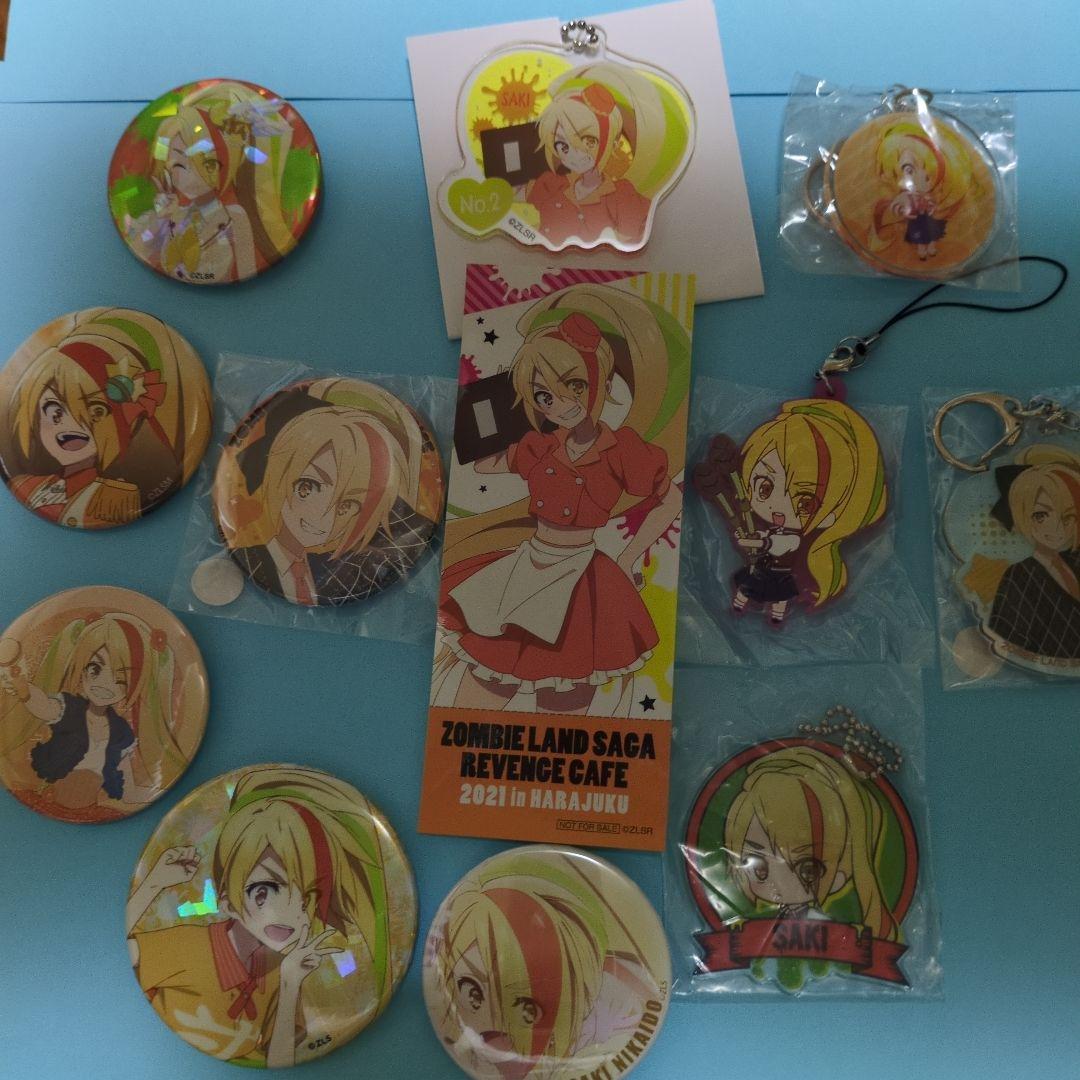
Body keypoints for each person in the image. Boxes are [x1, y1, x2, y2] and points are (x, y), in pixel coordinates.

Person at [436, 285, 686, 715]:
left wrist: (629, 556)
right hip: (526, 567)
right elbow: (483, 465)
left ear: (599, 381)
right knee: (487, 679)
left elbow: (670, 499)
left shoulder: (622, 449)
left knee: (566, 693)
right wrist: (494, 397)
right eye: (544, 396)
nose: (561, 404)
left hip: (582, 578)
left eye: (574, 385)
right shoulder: (541, 447)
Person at [126, 766, 392, 1068]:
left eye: (308, 897)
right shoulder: (186, 946)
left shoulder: (281, 971)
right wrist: (153, 884)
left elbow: (279, 1059)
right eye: (264, 890)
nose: (288, 914)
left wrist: (290, 984)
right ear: (227, 903)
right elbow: (125, 953)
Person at [428, 852, 660, 1078]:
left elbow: (638, 986)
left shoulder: (596, 1021)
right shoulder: (464, 1037)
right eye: (472, 993)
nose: (491, 1025)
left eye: (526, 1010)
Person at [219, 380, 435, 606]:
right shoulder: (254, 560)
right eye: (308, 487)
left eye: (347, 505)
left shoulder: (335, 573)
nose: (323, 516)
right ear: (279, 473)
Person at [6, 310, 191, 527]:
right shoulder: (27, 484)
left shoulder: (118, 499)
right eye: (55, 413)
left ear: (123, 422)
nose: (71, 424)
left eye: (96, 411)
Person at [0, 612, 178, 814]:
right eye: (95, 669)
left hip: (90, 808)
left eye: (121, 679)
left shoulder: (121, 733)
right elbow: (45, 707)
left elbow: (127, 785)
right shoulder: (69, 708)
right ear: (82, 668)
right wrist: (25, 690)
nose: (104, 683)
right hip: (49, 801)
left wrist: (160, 791)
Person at [730, 398, 887, 623]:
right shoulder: (772, 528)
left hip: (779, 574)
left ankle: (776, 617)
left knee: (780, 596)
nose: (777, 508)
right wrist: (750, 538)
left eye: (805, 503)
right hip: (762, 568)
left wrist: (753, 541)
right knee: (747, 585)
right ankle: (739, 605)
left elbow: (772, 543)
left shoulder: (792, 540)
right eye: (765, 488)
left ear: (832, 515)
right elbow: (765, 537)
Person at [723, 745, 900, 940]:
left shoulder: (823, 925)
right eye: (760, 867)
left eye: (807, 869)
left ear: (841, 873)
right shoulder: (764, 922)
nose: (779, 882)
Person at [126, 81, 296, 282]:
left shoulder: (235, 217)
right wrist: (161, 218)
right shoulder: (173, 214)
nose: (178, 175)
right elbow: (139, 248)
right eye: (175, 165)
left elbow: (248, 270)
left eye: (201, 163)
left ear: (219, 166)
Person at [520, 62, 687, 248]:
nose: (574, 155)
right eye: (563, 146)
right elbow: (515, 210)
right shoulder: (551, 185)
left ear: (613, 143)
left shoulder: (622, 196)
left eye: (588, 142)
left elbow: (634, 238)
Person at [981, 449, 1080, 661]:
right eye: (1041, 515)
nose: (1057, 529)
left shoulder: (1074, 560)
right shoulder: (1019, 577)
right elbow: (1008, 640)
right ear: (1020, 515)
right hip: (1044, 670)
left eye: (1068, 516)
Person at [869, 120, 976, 262]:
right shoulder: (904, 197)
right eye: (909, 170)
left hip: (927, 220)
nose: (919, 179)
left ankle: (930, 248)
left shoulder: (929, 196)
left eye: (928, 177)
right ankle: (921, 250)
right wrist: (903, 211)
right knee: (920, 237)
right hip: (915, 222)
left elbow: (932, 206)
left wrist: (931, 209)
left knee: (931, 235)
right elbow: (895, 207)